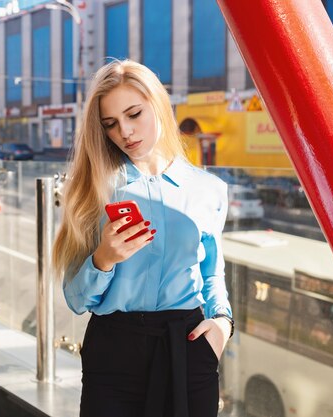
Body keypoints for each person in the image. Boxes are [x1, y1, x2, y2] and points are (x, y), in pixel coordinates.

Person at [52, 59, 234, 417]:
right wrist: (103, 259)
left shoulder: (209, 189)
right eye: (111, 124)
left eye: (134, 114)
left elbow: (212, 272)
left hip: (188, 345)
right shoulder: (93, 190)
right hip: (114, 351)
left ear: (158, 105)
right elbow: (75, 298)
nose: (125, 132)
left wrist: (223, 323)